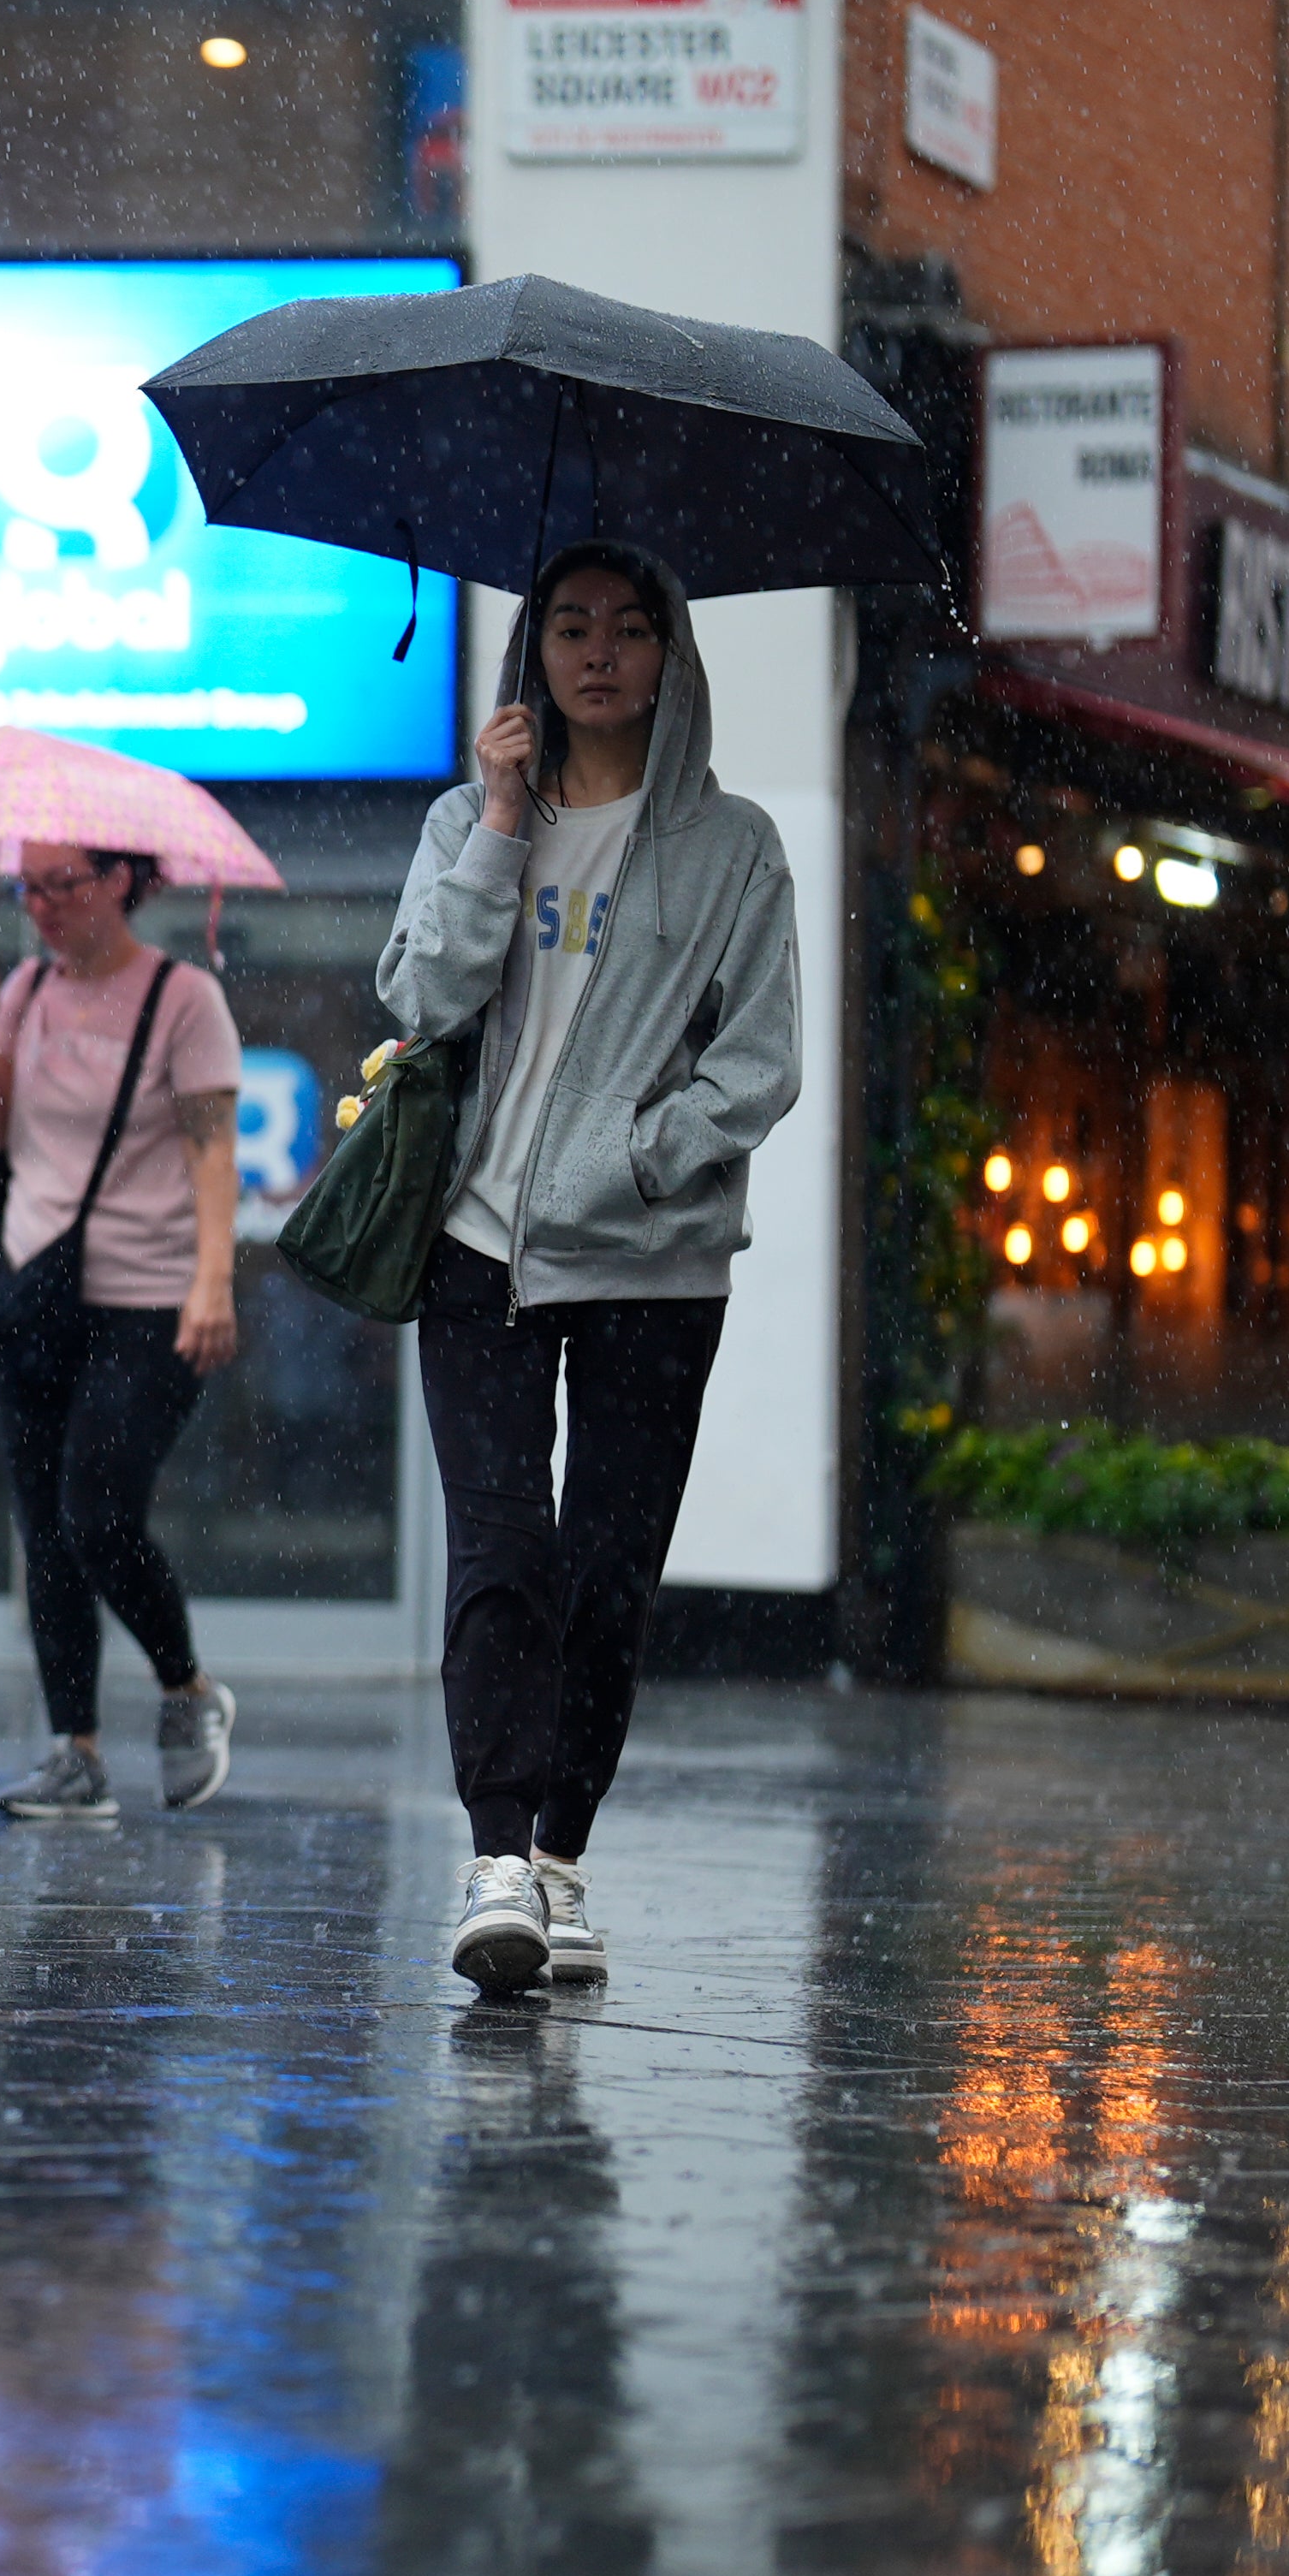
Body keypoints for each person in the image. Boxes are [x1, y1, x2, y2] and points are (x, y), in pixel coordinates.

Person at [373, 540, 800, 1995]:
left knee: (608, 1573)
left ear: (669, 656)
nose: (597, 652)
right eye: (567, 626)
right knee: (500, 1553)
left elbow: (758, 1065)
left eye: (627, 627)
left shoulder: (733, 847)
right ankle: (495, 1860)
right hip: (476, 1245)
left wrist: (631, 1160)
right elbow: (419, 994)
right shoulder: (462, 820)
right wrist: (500, 826)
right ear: (531, 654)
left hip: (651, 1261)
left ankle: (559, 1856)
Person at [0, 841, 244, 1822]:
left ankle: (186, 1687)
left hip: (150, 1296)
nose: (38, 905)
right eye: (26, 886)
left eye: (61, 884)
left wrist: (213, 1281)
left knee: (97, 1511)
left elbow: (212, 1151)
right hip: (37, 1289)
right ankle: (73, 1752)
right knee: (44, 1529)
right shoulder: (23, 991)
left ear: (120, 880)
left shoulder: (182, 998)